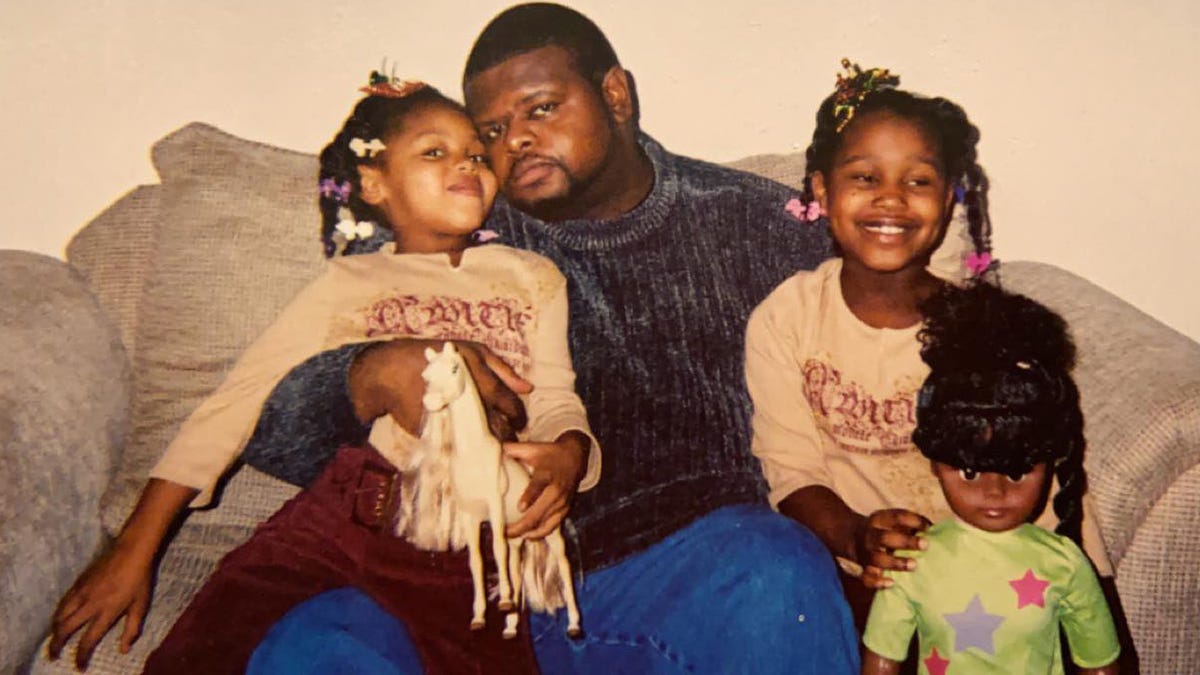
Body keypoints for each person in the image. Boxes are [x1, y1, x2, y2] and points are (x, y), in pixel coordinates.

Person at [246, 4, 885, 673]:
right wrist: (372, 374)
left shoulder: (759, 228)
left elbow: (883, 372)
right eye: (492, 129)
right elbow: (263, 427)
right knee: (312, 642)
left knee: (774, 569)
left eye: (541, 108)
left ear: (615, 94)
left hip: (676, 584)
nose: (515, 140)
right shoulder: (443, 229)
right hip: (451, 589)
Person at [53, 77, 599, 674]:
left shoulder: (532, 276)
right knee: (199, 650)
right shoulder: (346, 285)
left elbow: (554, 395)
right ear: (374, 182)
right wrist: (136, 546)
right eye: (434, 151)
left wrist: (572, 451)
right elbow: (237, 402)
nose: (467, 163)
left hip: (475, 537)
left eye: (475, 153)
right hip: (344, 511)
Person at [743, 60, 1131, 664]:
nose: (890, 199)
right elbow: (791, 472)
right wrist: (855, 534)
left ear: (950, 197)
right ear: (821, 191)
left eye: (918, 181)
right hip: (863, 576)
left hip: (1001, 582)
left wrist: (1091, 602)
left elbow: (1054, 492)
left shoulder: (987, 328)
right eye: (865, 177)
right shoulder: (786, 318)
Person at [860, 282, 1120, 674]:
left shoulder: (1064, 564)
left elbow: (1100, 664)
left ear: (1048, 464)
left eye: (1017, 472)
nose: (994, 491)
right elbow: (882, 660)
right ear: (935, 463)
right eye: (969, 471)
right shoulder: (913, 562)